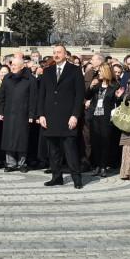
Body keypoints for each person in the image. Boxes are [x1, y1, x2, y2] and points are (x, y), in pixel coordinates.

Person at [38, 43, 86, 189]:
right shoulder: (47, 71)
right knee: (53, 151)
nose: (56, 54)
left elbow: (79, 95)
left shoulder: (75, 70)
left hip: (68, 117)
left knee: (70, 149)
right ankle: (56, 177)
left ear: (65, 54)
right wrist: (41, 115)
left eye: (59, 52)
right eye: (54, 52)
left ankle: (76, 178)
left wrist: (75, 115)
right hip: (50, 117)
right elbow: (42, 95)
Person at [0, 56, 36, 172]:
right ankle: (10, 163)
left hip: (23, 114)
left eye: (15, 65)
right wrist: (0, 111)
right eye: (11, 65)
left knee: (22, 139)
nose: (12, 67)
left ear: (22, 66)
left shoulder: (30, 79)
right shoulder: (7, 78)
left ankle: (22, 163)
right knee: (9, 139)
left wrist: (31, 115)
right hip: (9, 114)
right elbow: (1, 97)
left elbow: (33, 99)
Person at [86, 63, 118, 177]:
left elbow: (117, 101)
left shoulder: (115, 86)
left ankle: (104, 166)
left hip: (106, 117)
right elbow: (87, 95)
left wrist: (119, 96)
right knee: (95, 141)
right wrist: (90, 86)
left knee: (105, 142)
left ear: (106, 72)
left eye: (100, 71)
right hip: (95, 116)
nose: (98, 73)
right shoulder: (96, 84)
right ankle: (97, 166)